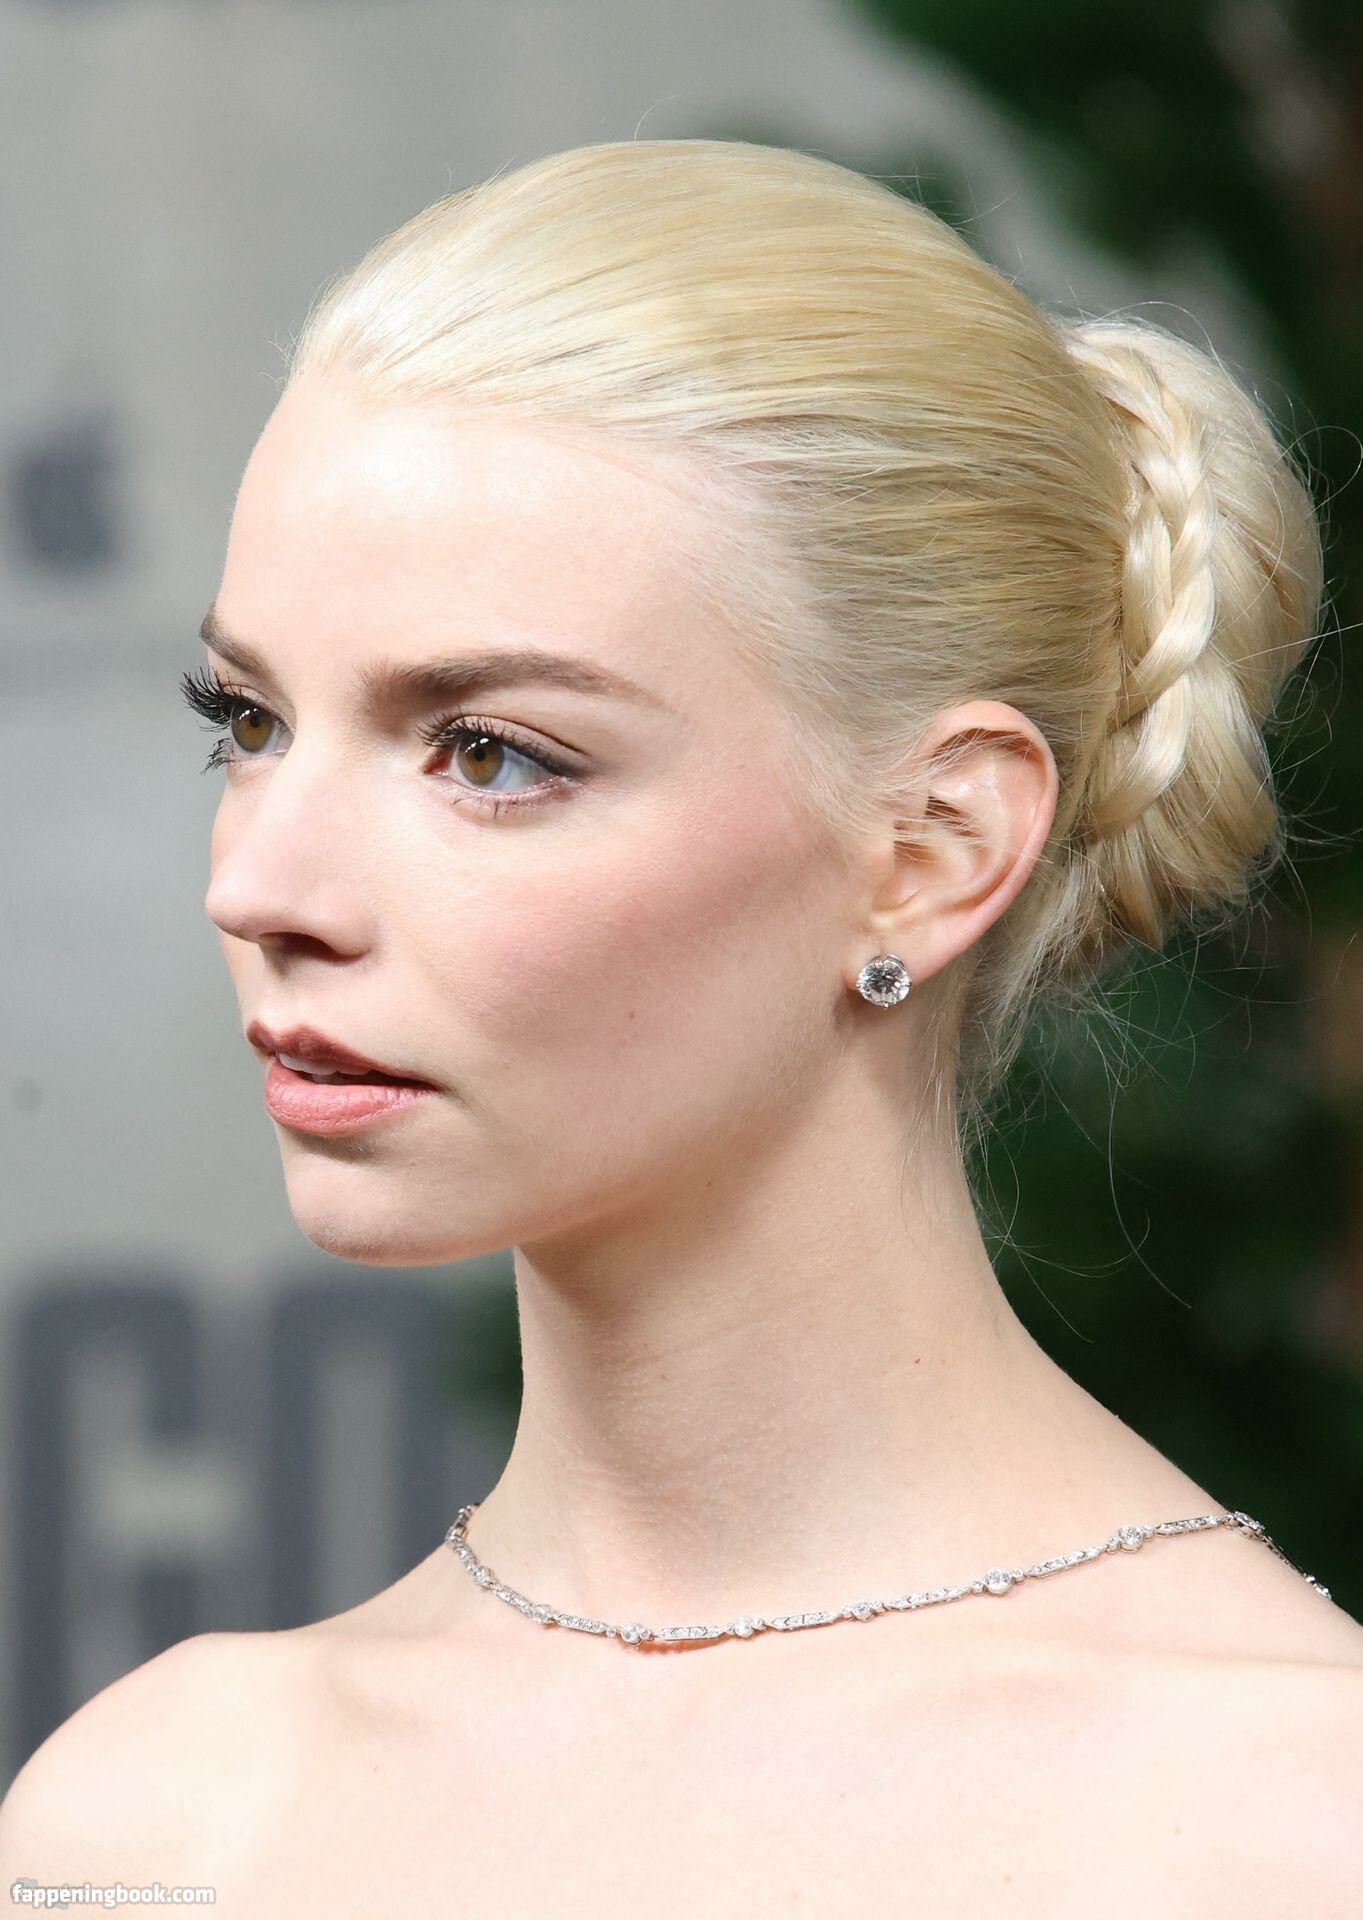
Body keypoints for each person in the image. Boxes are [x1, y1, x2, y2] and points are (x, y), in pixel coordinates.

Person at [3, 137, 1360, 1914]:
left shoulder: (1293, 1819)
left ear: (932, 850)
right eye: (247, 721)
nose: (262, 887)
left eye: (490, 754)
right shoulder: (154, 1818)